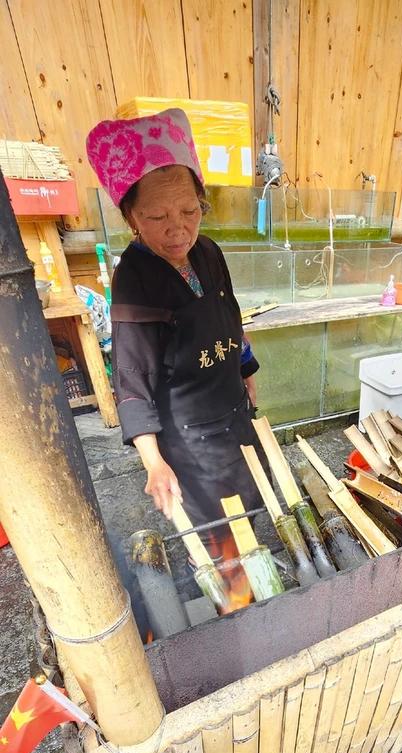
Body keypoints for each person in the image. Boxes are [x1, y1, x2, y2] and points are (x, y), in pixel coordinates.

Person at [86, 109, 267, 567]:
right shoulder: (135, 277)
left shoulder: (207, 250)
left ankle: (255, 563)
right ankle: (230, 587)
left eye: (190, 210)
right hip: (188, 435)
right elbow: (131, 378)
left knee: (252, 502)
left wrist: (245, 368)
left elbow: (229, 315)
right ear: (131, 216)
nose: (179, 229)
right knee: (213, 530)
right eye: (157, 216)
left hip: (231, 408)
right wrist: (153, 462)